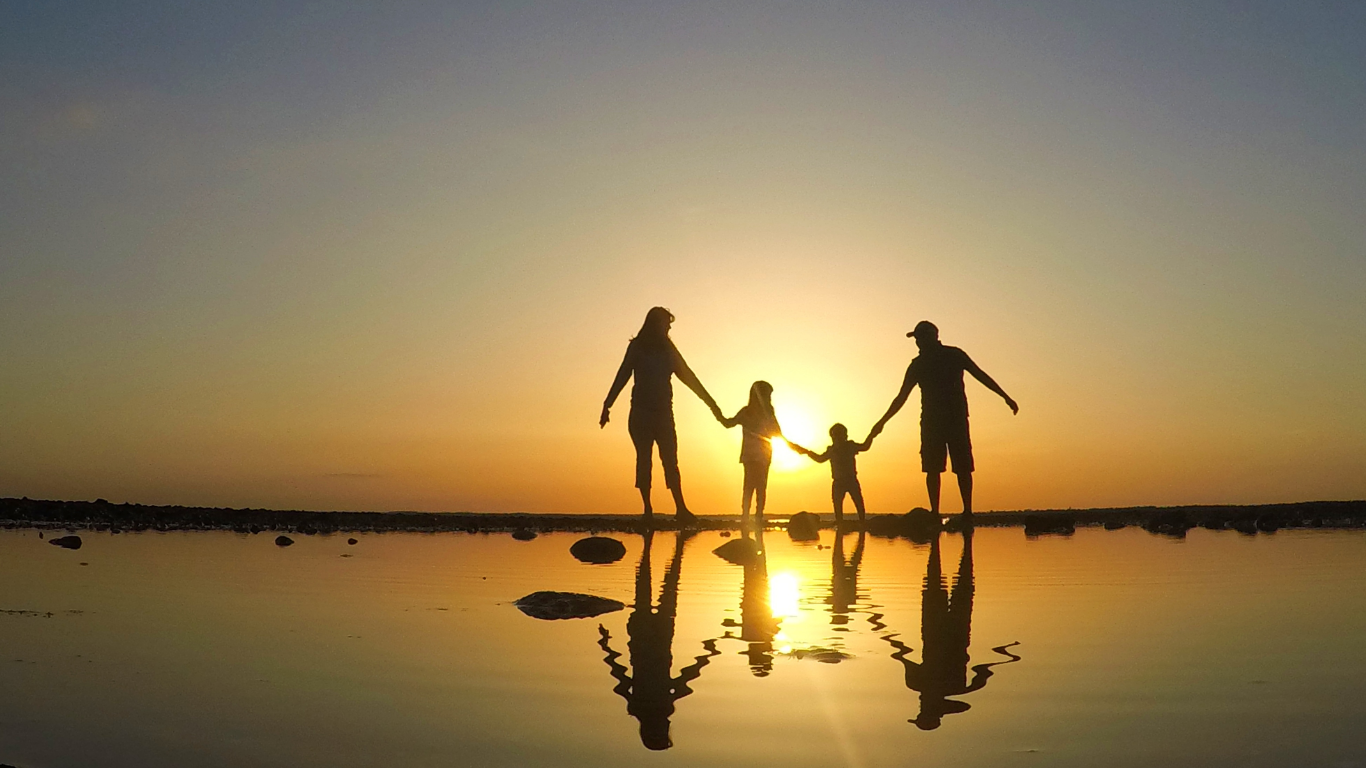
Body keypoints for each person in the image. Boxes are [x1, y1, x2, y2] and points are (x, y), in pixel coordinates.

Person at [868, 321, 1018, 518]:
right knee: (933, 468)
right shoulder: (920, 364)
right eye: (916, 339)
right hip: (934, 421)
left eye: (920, 338)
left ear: (931, 337)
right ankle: (938, 512)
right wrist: (882, 422)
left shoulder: (951, 356)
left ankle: (966, 511)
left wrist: (1005, 396)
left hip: (951, 419)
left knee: (961, 466)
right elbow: (901, 397)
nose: (918, 343)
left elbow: (980, 375)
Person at [883, 530, 1020, 729]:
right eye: (922, 710)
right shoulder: (925, 686)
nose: (920, 705)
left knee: (952, 583)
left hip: (949, 631)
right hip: (945, 630)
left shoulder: (952, 689)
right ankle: (961, 543)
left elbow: (981, 675)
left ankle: (950, 546)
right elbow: (903, 656)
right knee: (946, 582)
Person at [598, 530, 719, 750]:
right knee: (645, 589)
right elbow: (620, 675)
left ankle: (665, 550)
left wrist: (708, 654)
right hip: (645, 637)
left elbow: (686, 678)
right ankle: (653, 548)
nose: (668, 725)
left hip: (658, 637)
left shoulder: (657, 706)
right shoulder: (640, 707)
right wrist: (606, 647)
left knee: (666, 588)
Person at [601, 307, 724, 523]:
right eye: (666, 324)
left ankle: (681, 509)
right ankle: (647, 510)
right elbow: (622, 375)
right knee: (644, 460)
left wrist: (711, 404)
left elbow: (689, 377)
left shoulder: (669, 350)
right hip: (640, 414)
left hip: (664, 415)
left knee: (670, 461)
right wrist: (607, 405)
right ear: (654, 324)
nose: (668, 328)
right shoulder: (637, 348)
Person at [719, 381, 783, 526]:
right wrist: (718, 415)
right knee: (757, 486)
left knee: (751, 486)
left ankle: (749, 516)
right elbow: (777, 432)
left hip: (758, 455)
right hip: (756, 455)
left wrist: (721, 417)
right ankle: (754, 516)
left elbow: (728, 423)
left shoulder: (752, 412)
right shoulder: (754, 412)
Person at [787, 423, 873, 527]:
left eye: (839, 435)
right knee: (838, 507)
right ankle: (841, 526)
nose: (837, 438)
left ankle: (862, 524)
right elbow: (820, 459)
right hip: (838, 482)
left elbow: (865, 446)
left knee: (859, 504)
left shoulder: (850, 446)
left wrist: (872, 434)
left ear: (845, 436)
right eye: (835, 436)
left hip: (851, 480)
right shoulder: (832, 450)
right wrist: (806, 452)